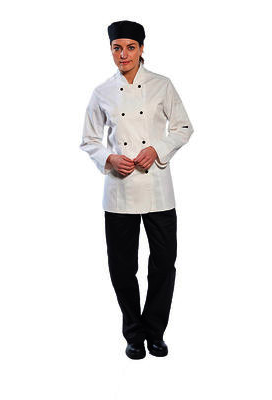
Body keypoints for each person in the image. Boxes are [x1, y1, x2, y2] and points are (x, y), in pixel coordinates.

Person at [79, 20, 194, 359]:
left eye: (130, 47)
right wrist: (109, 158)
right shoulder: (102, 92)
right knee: (121, 267)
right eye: (117, 48)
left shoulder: (162, 85)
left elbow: (184, 127)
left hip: (157, 188)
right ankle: (133, 333)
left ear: (142, 49)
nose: (123, 54)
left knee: (164, 264)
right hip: (119, 192)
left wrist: (157, 149)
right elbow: (89, 139)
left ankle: (155, 332)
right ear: (111, 50)